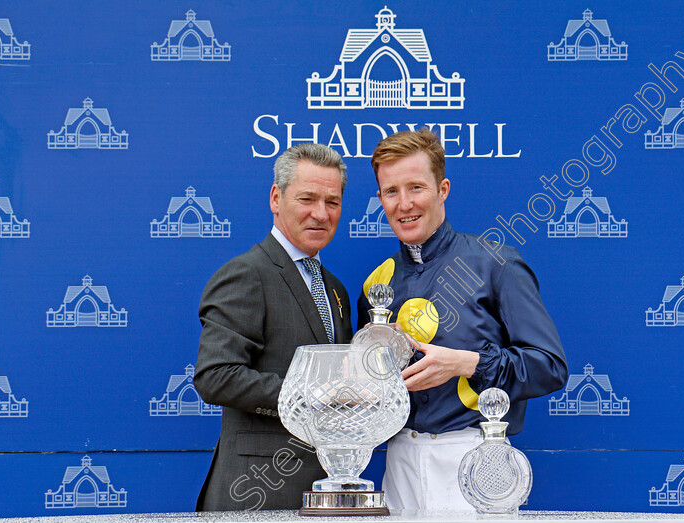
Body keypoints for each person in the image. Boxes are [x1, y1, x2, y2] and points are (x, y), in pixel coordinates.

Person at [357, 128, 567, 511]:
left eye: (416, 187)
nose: (404, 204)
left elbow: (550, 367)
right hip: (399, 462)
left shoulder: (496, 263)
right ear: (380, 199)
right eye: (391, 191)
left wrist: (465, 363)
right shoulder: (377, 283)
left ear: (443, 189)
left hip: (476, 460)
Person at [195, 143, 353, 511]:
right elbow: (216, 376)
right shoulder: (246, 274)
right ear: (276, 198)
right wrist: (312, 396)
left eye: (332, 202)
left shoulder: (335, 288)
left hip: (325, 491)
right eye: (307, 198)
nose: (320, 213)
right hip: (254, 493)